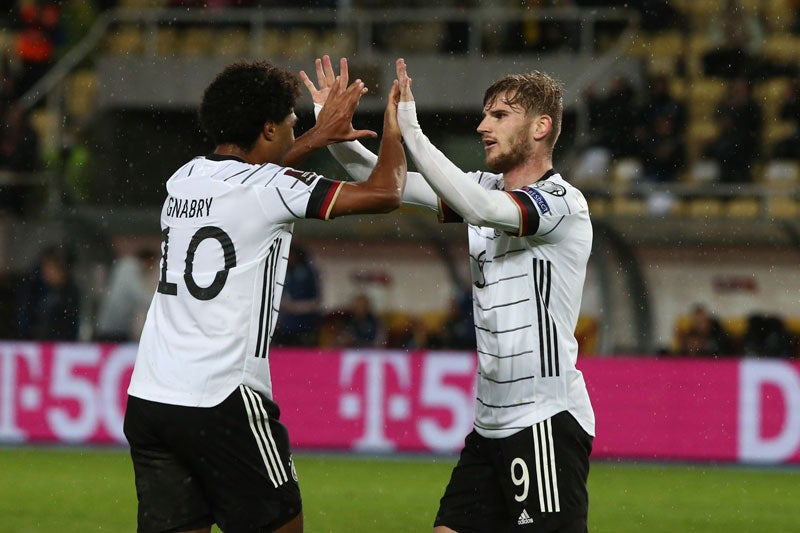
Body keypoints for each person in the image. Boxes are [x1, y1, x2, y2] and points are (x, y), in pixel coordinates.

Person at [302, 55, 594, 532]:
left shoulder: (563, 203)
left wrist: (411, 131)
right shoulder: (479, 189)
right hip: (489, 424)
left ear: (541, 127)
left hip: (543, 419)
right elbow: (391, 185)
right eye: (484, 114)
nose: (483, 126)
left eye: (499, 116)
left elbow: (480, 207)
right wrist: (329, 130)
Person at [123, 58, 407, 533]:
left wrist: (315, 138)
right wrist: (396, 127)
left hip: (151, 400)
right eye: (293, 127)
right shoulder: (272, 187)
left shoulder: (183, 178)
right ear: (270, 128)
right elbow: (387, 192)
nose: (297, 136)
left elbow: (250, 181)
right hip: (224, 398)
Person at [93, 247, 159, 342]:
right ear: (148, 260)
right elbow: (137, 295)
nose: (151, 268)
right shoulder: (130, 268)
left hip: (113, 324)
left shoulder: (126, 267)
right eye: (152, 263)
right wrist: (158, 304)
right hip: (113, 326)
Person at [15, 245, 81, 340]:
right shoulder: (32, 288)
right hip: (35, 343)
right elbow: (24, 322)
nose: (55, 272)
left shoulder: (70, 291)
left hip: (62, 344)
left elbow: (73, 325)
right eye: (51, 267)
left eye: (59, 268)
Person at [271, 244, 323, 347]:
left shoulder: (309, 272)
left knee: (305, 351)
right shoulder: (284, 270)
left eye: (290, 255)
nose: (289, 258)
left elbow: (316, 300)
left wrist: (297, 307)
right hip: (286, 323)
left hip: (306, 323)